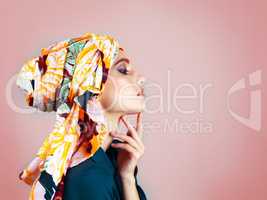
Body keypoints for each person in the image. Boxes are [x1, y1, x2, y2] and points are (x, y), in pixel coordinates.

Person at [17, 32, 147, 200]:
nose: (142, 79)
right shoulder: (88, 178)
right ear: (90, 86)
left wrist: (127, 176)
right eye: (123, 70)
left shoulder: (115, 156)